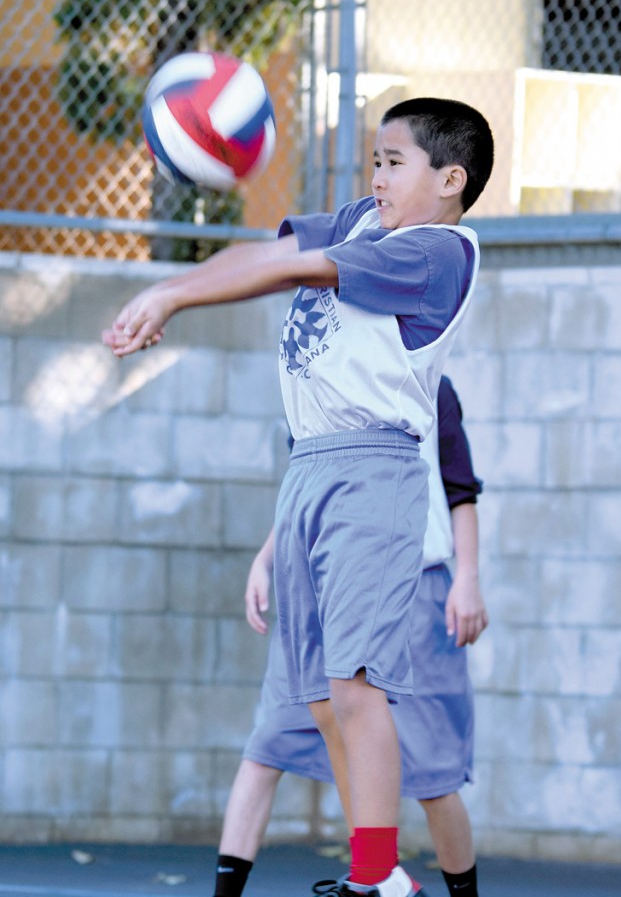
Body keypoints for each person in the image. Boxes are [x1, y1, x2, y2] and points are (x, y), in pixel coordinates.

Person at [102, 96, 494, 897]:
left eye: (394, 162)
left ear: (449, 179)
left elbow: (289, 268)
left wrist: (175, 297)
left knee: (355, 684)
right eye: (374, 160)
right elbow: (267, 250)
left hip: (371, 470)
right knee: (315, 695)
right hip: (309, 467)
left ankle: (374, 876)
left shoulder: (437, 251)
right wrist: (170, 287)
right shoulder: (361, 222)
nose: (375, 175)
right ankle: (381, 880)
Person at [214, 376, 488, 897]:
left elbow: (460, 489)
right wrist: (265, 560)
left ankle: (401, 882)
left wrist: (468, 578)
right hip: (320, 582)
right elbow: (305, 484)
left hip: (412, 583)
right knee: (270, 739)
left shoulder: (428, 384)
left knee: (433, 778)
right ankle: (376, 878)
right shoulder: (312, 377)